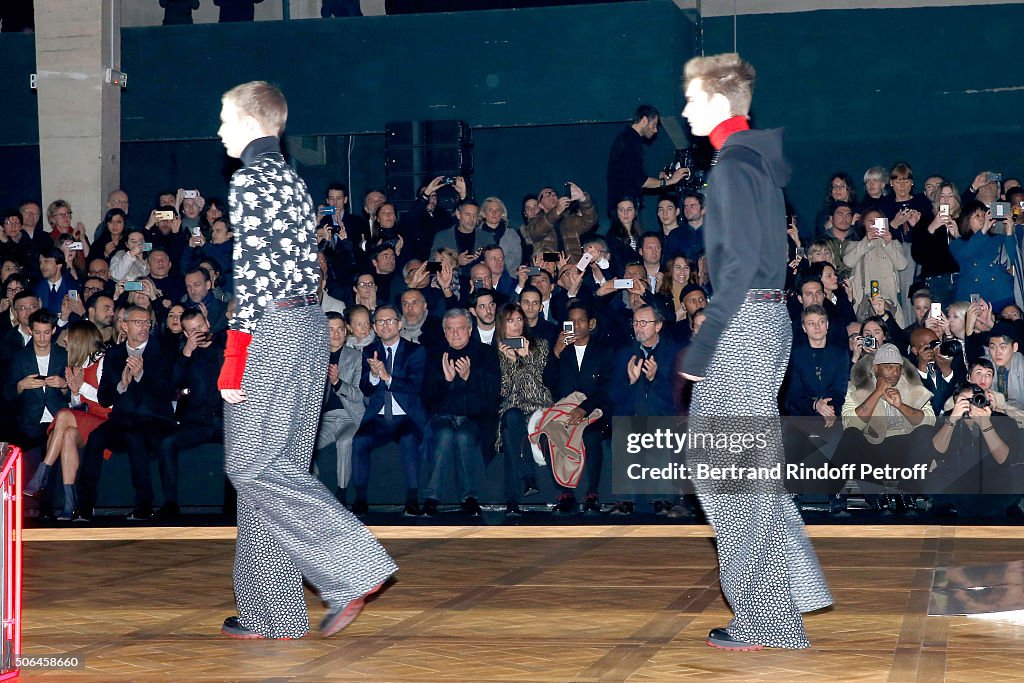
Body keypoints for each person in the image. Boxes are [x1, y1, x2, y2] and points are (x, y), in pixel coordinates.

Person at [214, 81, 396, 640]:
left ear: (250, 121)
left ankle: (353, 566)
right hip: (308, 327)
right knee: (278, 470)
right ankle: (273, 613)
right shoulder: (293, 181)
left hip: (270, 329)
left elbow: (253, 276)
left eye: (224, 119)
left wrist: (234, 355)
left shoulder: (248, 180)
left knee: (250, 466)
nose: (219, 129)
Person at [678, 53, 832, 651]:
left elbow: (737, 264)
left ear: (718, 101)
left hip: (742, 327)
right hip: (769, 321)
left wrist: (705, 341)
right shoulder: (755, 162)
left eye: (692, 97)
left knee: (728, 480)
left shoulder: (732, 167)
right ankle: (789, 594)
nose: (686, 108)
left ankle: (768, 617)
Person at [606, 104, 689, 214]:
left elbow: (630, 174)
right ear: (644, 120)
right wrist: (670, 181)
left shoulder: (626, 139)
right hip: (625, 205)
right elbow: (640, 181)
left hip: (621, 204)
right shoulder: (630, 142)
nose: (655, 130)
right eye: (654, 125)